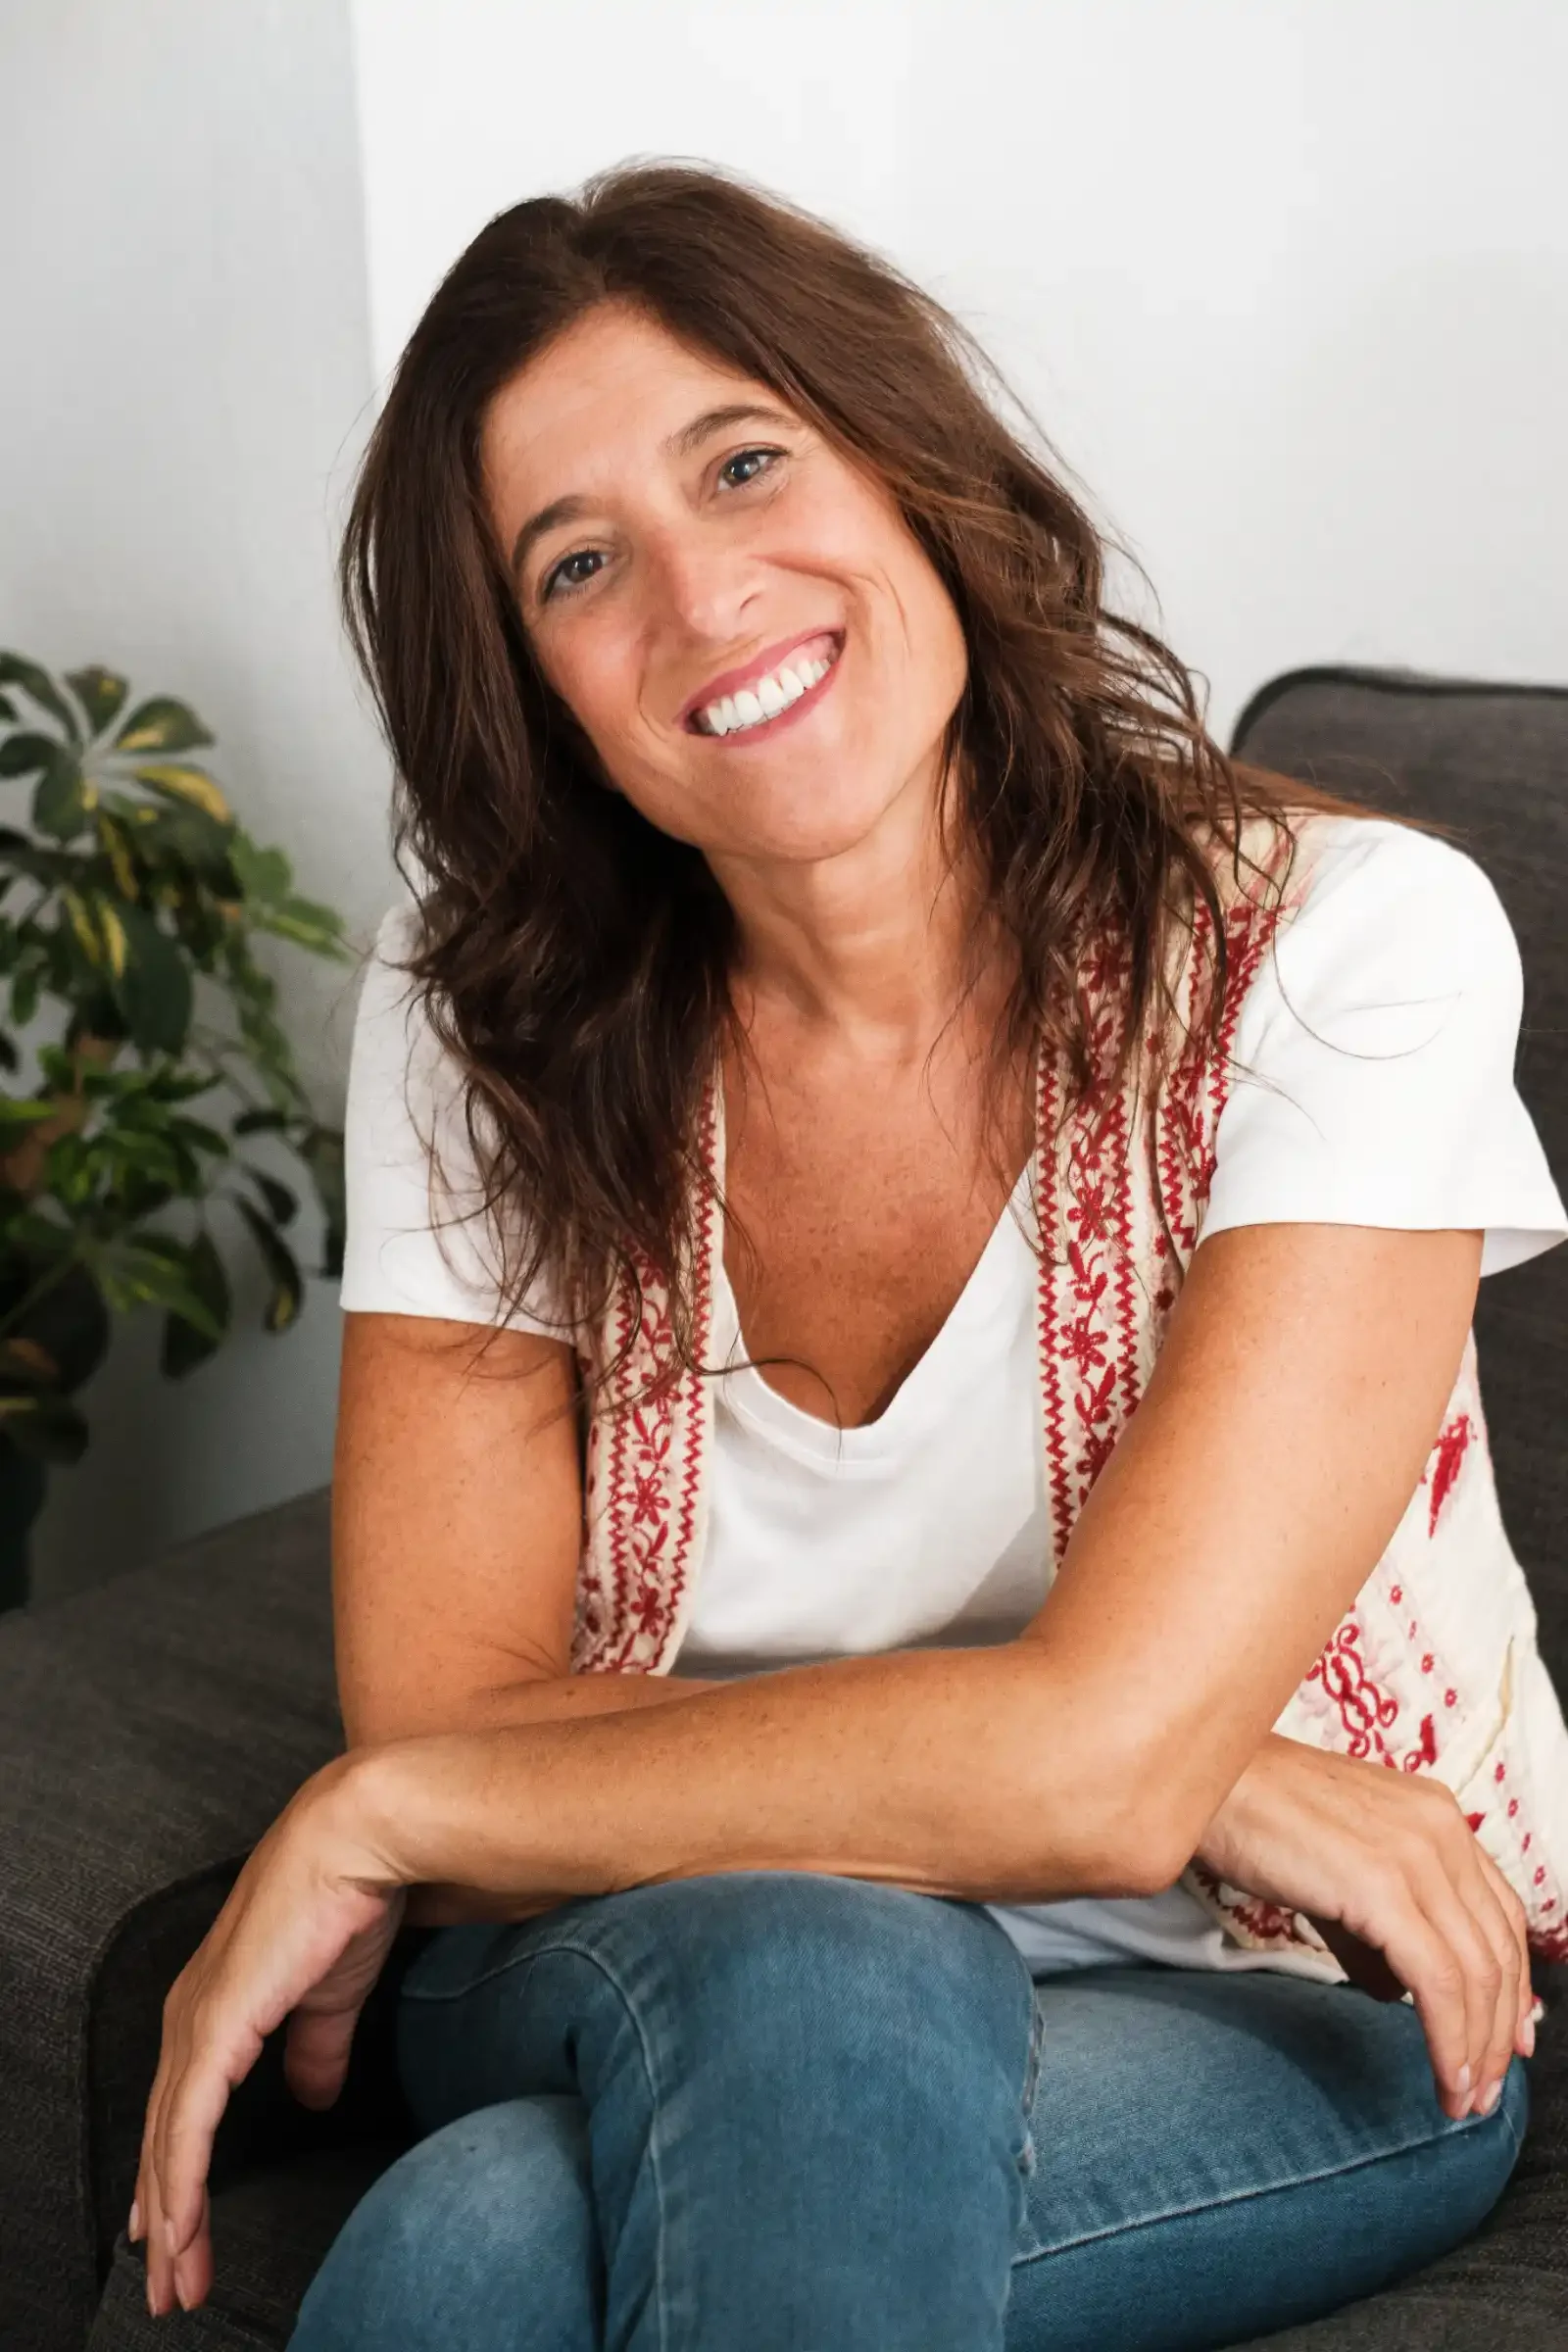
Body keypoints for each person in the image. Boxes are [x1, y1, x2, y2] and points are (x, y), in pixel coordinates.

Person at [130, 164, 1568, 2351]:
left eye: (742, 460)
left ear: (903, 469)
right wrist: (1193, 1772)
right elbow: (454, 1694)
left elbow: (456, 1760)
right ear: (531, 687)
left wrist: (386, 1808)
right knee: (824, 1948)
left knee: (473, 2258)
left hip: (1292, 2000)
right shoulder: (476, 1020)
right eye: (579, 563)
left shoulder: (1341, 952)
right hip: (655, 1920)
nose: (702, 597)